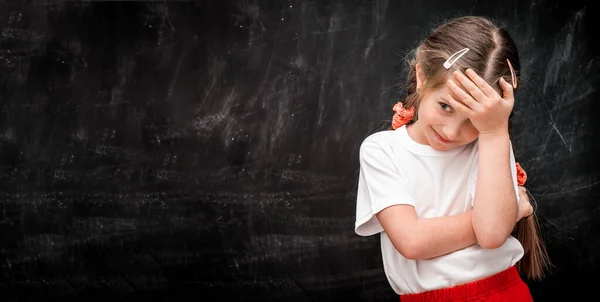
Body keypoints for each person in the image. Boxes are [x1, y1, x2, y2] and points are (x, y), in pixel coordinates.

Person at [354, 16, 551, 301]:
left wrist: (495, 131)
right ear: (422, 78)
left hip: (501, 293)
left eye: (473, 119)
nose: (452, 131)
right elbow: (412, 241)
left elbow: (493, 234)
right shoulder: (382, 151)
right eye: (445, 106)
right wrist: (512, 212)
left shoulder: (492, 143)